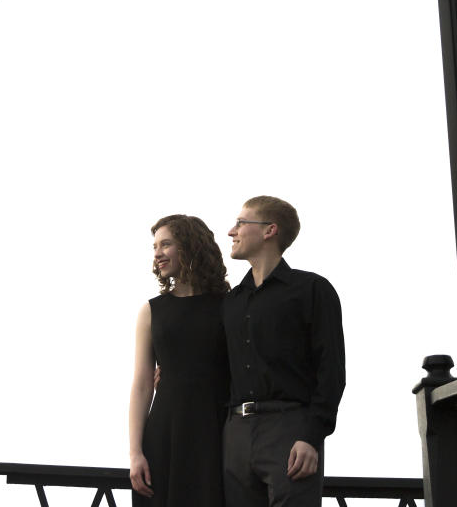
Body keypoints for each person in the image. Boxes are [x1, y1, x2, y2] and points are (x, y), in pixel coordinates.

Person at [222, 196, 346, 507]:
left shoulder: (312, 290)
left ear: (269, 230)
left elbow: (331, 370)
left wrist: (311, 436)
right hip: (235, 432)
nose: (231, 231)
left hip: (290, 428)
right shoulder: (230, 302)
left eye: (240, 223)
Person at [128, 214, 230, 507]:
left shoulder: (230, 306)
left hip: (216, 433)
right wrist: (135, 453)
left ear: (190, 246)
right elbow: (142, 385)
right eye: (155, 246)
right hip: (163, 433)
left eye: (166, 244)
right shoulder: (151, 311)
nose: (158, 253)